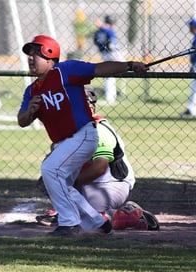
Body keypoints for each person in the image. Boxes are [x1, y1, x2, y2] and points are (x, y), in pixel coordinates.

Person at [17, 35, 148, 237]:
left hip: (83, 134)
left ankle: (69, 224)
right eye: (29, 54)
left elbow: (100, 68)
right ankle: (98, 221)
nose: (31, 58)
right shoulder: (32, 90)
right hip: (63, 143)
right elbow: (22, 121)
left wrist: (130, 65)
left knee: (50, 169)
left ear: (50, 57)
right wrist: (30, 112)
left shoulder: (65, 70)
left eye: (36, 54)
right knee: (61, 182)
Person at [36, 87, 160, 231]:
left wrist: (68, 183)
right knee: (53, 180)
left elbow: (99, 168)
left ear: (90, 108)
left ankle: (130, 214)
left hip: (110, 184)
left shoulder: (98, 130)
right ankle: (71, 211)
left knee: (91, 224)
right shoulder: (70, 131)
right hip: (89, 184)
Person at [93, 15, 126, 105]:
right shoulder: (109, 30)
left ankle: (112, 97)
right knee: (112, 75)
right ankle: (112, 97)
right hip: (113, 53)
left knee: (109, 75)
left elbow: (96, 42)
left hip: (104, 54)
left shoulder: (99, 31)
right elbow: (113, 44)